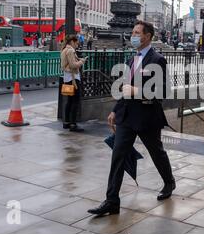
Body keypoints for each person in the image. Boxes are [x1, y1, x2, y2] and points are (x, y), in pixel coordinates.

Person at [88, 21, 175, 216]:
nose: (133, 36)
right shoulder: (131, 59)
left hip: (147, 118)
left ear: (148, 36)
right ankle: (112, 201)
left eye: (137, 33)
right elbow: (124, 89)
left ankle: (169, 182)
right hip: (126, 117)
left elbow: (162, 92)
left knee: (156, 153)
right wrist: (115, 110)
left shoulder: (157, 59)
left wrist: (137, 91)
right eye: (133, 32)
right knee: (118, 156)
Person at [60, 35, 88, 132]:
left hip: (67, 79)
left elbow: (67, 64)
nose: (77, 45)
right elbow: (72, 65)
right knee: (75, 102)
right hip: (73, 80)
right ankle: (73, 124)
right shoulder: (71, 51)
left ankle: (66, 122)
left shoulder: (64, 50)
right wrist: (82, 62)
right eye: (76, 43)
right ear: (72, 42)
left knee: (69, 101)